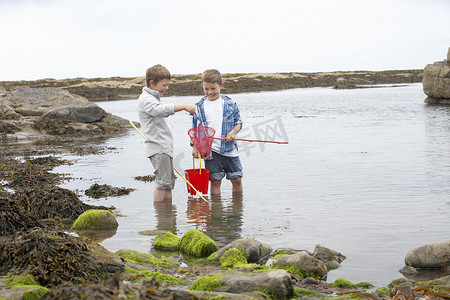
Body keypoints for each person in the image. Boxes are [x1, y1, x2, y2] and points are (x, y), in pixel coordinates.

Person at [138, 64, 195, 202]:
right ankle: (161, 216)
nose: (166, 88)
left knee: (168, 183)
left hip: (164, 149)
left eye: (167, 85)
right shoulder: (146, 99)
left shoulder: (153, 98)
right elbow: (160, 110)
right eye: (164, 85)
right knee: (162, 183)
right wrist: (183, 107)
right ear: (152, 83)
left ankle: (168, 213)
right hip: (158, 148)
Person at [192, 69, 243, 195]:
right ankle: (216, 213)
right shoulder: (199, 106)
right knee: (215, 181)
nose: (210, 92)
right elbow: (195, 129)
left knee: (236, 179)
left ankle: (237, 212)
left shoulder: (230, 103)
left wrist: (233, 133)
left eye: (213, 88)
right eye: (206, 89)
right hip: (211, 151)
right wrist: (195, 147)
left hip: (230, 149)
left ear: (221, 85)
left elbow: (239, 123)